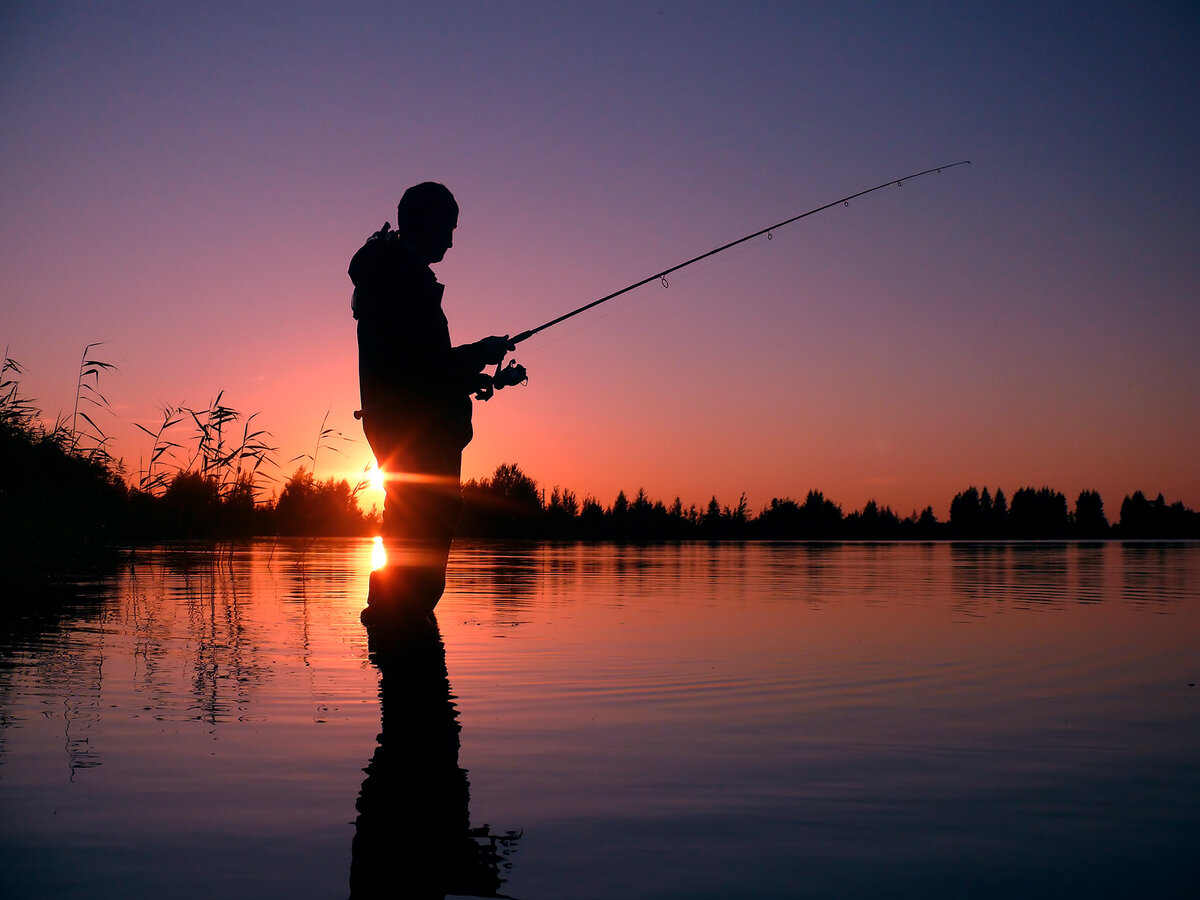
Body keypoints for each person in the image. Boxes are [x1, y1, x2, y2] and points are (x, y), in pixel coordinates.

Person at [350, 182, 514, 627]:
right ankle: (401, 627)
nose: (451, 240)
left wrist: (469, 377)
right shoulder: (404, 279)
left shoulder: (389, 275)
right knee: (424, 520)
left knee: (406, 518)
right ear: (425, 222)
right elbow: (423, 365)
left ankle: (391, 624)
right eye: (448, 227)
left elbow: (415, 368)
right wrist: (480, 351)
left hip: (400, 419)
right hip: (416, 428)